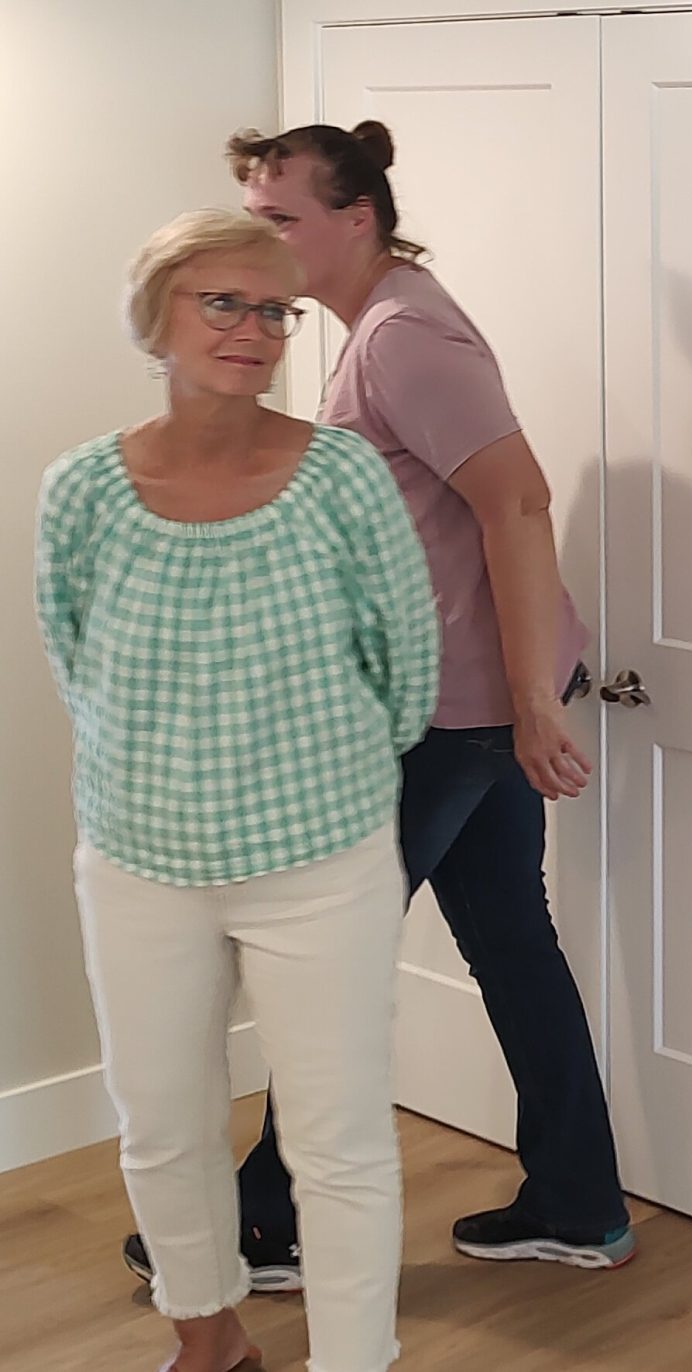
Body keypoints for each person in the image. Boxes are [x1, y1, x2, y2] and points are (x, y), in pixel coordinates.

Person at [123, 119, 631, 1293]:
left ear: (357, 221)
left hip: (456, 711)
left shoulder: (404, 339)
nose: (260, 240)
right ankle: (579, 1201)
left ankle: (266, 1218)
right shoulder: (384, 326)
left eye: (280, 218)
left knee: (324, 959)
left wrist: (525, 708)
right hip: (471, 696)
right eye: (251, 217)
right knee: (511, 942)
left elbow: (516, 501)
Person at [38, 209, 436, 1372]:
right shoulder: (82, 493)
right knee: (163, 1129)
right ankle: (208, 1340)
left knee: (339, 1145)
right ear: (157, 316)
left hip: (321, 864)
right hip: (138, 864)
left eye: (275, 310)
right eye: (225, 302)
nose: (254, 331)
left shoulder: (341, 478)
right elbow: (78, 663)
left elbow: (405, 672)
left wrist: (301, 769)